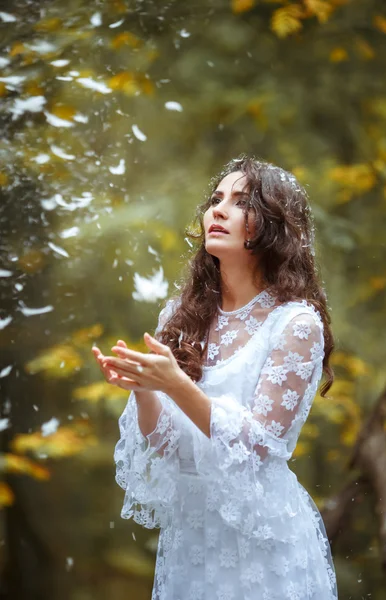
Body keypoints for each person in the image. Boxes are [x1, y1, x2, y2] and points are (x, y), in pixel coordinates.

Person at [92, 155, 338, 600]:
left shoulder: (296, 325)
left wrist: (175, 384)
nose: (218, 210)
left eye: (241, 201)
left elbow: (260, 444)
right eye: (215, 199)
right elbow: (172, 446)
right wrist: (147, 391)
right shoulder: (182, 315)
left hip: (262, 542)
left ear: (274, 226)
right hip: (193, 539)